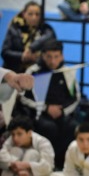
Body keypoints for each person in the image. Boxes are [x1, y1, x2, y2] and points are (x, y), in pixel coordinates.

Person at [18, 40, 80, 170]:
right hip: (40, 113)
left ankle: (63, 164)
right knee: (49, 128)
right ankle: (46, 164)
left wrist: (62, 111)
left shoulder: (67, 72)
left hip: (62, 112)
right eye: (49, 57)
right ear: (43, 56)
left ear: (62, 56)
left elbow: (76, 98)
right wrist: (46, 108)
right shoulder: (34, 71)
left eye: (56, 57)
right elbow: (23, 98)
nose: (53, 61)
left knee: (72, 127)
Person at [1, 1, 56, 73]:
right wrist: (22, 56)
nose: (34, 17)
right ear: (24, 14)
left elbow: (49, 39)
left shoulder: (46, 29)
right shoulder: (14, 28)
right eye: (30, 14)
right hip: (14, 72)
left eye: (37, 14)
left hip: (38, 73)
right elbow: (5, 53)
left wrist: (31, 49)